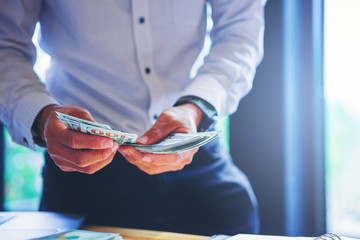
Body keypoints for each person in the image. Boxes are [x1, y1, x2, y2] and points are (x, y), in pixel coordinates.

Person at [0, 0, 265, 236]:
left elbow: (240, 32)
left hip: (197, 158)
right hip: (83, 176)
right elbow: (4, 44)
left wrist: (195, 107)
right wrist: (42, 117)